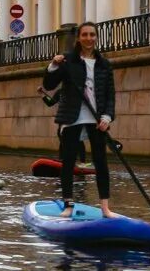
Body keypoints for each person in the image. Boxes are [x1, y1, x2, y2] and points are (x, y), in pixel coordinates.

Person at [44, 21, 116, 218]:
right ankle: (68, 205)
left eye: (92, 35)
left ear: (96, 37)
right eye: (85, 35)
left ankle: (105, 208)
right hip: (72, 116)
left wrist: (107, 117)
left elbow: (110, 94)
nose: (89, 39)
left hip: (96, 118)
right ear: (78, 38)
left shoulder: (104, 64)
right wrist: (53, 66)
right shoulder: (68, 61)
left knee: (101, 161)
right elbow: (49, 84)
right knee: (68, 161)